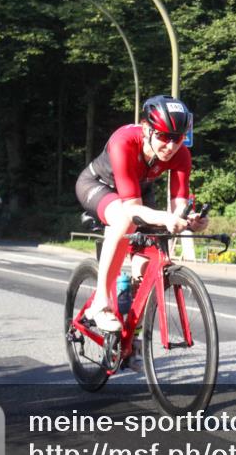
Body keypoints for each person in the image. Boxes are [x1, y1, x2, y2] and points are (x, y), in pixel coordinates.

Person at [75, 95, 208, 333]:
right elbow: (131, 209)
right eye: (164, 137)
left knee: (148, 265)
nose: (171, 146)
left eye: (177, 138)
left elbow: (179, 203)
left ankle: (132, 337)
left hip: (139, 191)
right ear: (146, 128)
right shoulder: (123, 141)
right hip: (98, 185)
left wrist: (189, 219)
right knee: (124, 220)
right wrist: (166, 218)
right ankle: (100, 303)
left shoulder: (181, 154)